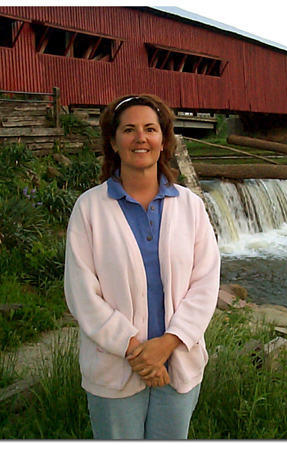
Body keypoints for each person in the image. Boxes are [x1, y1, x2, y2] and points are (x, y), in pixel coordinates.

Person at [64, 94, 221, 439]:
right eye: (129, 129)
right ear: (113, 141)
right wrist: (137, 352)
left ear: (163, 141)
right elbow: (81, 293)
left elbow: (206, 282)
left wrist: (167, 344)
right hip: (114, 366)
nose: (141, 138)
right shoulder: (89, 209)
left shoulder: (191, 207)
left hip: (177, 365)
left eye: (150, 129)